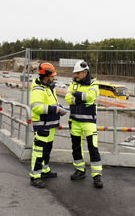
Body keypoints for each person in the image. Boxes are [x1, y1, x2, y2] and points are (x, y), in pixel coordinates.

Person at [65, 60, 103, 188]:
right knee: (76, 148)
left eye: (78, 73)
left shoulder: (94, 83)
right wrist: (81, 98)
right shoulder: (73, 83)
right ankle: (80, 170)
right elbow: (67, 98)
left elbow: (91, 97)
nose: (76, 75)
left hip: (89, 122)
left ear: (85, 72)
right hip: (75, 121)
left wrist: (76, 96)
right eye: (75, 73)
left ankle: (97, 175)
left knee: (93, 148)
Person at [29, 62, 67, 188]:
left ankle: (44, 170)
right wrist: (53, 110)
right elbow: (36, 107)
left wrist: (59, 108)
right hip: (42, 125)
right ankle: (35, 176)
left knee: (47, 149)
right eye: (52, 76)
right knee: (39, 151)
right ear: (46, 76)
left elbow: (52, 103)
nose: (54, 78)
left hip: (50, 125)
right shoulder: (37, 89)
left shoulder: (49, 88)